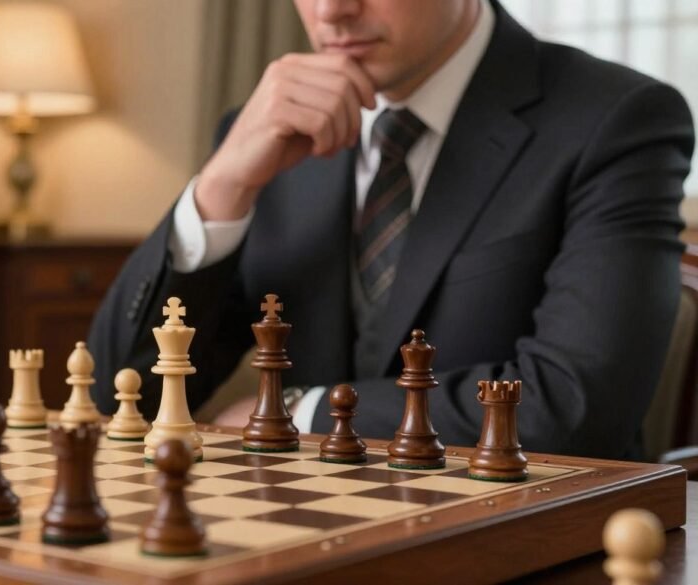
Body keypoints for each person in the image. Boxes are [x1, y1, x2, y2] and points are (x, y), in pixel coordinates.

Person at [87, 0, 695, 459]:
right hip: (305, 546)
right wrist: (219, 186)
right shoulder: (266, 136)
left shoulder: (617, 121)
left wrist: (303, 412)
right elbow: (121, 395)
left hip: (526, 544)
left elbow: (573, 405)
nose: (331, 10)